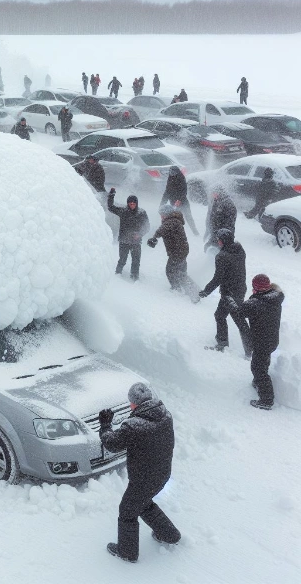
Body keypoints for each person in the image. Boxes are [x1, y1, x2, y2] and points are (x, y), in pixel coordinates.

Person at [99, 382, 181, 563]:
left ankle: (127, 553)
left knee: (127, 510)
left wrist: (105, 425)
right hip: (162, 474)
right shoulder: (165, 415)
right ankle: (169, 535)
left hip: (143, 478)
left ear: (134, 403)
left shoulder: (134, 425)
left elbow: (112, 443)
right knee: (142, 504)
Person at [227, 274, 283, 410]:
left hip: (261, 341)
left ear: (256, 288)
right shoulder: (275, 298)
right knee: (262, 363)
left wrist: (230, 301)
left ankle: (266, 400)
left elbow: (239, 312)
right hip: (272, 340)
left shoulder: (256, 303)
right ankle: (258, 382)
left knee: (258, 368)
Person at [198, 228, 252, 355]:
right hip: (240, 289)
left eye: (219, 240)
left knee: (236, 319)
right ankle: (232, 345)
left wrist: (206, 291)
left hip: (229, 293)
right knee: (222, 316)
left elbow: (218, 278)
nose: (218, 241)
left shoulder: (222, 256)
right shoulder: (240, 250)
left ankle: (247, 349)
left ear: (223, 241)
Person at [147, 206, 198, 299]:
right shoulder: (175, 220)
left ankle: (178, 289)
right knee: (181, 272)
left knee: (170, 271)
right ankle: (193, 291)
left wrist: (154, 237)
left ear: (166, 214)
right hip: (180, 250)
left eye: (162, 214)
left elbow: (162, 229)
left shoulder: (172, 221)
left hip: (177, 251)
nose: (161, 216)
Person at [108, 189, 150, 281]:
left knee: (136, 261)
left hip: (136, 242)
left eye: (133, 203)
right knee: (122, 259)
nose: (132, 205)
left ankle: (134, 277)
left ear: (136, 203)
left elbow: (147, 227)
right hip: (124, 240)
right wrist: (111, 196)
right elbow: (110, 207)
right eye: (130, 203)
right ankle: (118, 275)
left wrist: (139, 234)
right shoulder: (123, 211)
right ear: (127, 203)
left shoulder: (141, 213)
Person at [160, 166, 199, 235]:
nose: (172, 174)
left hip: (183, 202)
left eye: (173, 172)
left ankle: (194, 231)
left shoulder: (181, 179)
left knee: (188, 216)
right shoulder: (170, 179)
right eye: (171, 172)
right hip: (173, 202)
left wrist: (179, 200)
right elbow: (167, 192)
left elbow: (184, 192)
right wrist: (162, 203)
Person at [204, 186, 237, 251]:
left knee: (223, 253)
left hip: (224, 236)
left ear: (218, 193)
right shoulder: (216, 201)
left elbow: (229, 224)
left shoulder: (228, 204)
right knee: (210, 249)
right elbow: (212, 217)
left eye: (213, 193)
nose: (212, 195)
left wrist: (221, 238)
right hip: (216, 234)